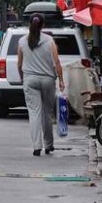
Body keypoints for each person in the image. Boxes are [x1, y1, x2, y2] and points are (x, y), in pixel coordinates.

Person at [17, 12, 65, 156]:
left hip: (30, 80)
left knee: (34, 113)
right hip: (48, 80)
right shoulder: (49, 41)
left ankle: (37, 146)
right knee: (47, 113)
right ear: (43, 25)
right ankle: (49, 144)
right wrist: (61, 79)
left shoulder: (22, 42)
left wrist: (22, 78)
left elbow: (19, 64)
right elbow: (57, 62)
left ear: (29, 24)